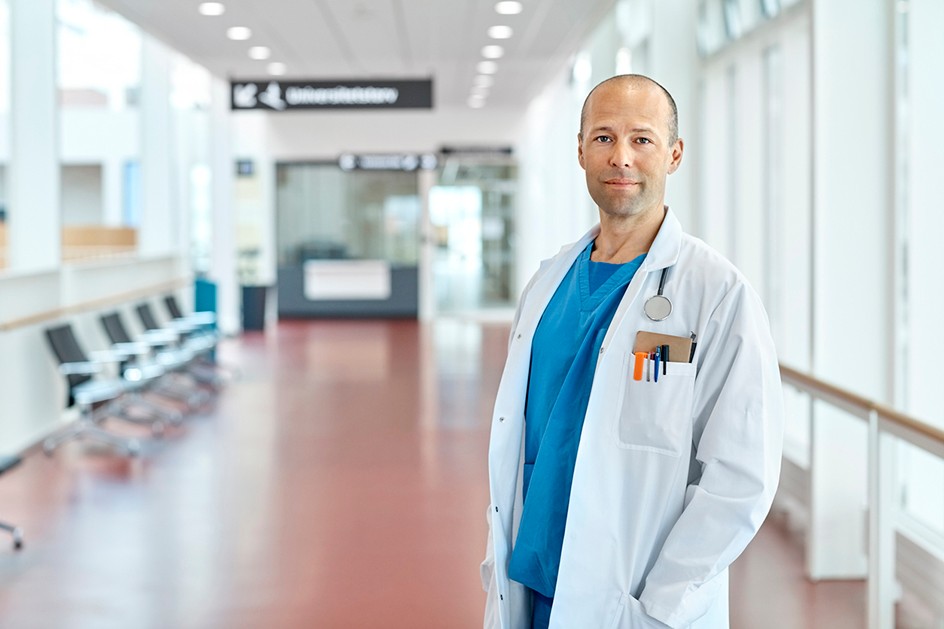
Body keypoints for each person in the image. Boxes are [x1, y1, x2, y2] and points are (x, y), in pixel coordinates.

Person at [480, 74, 784, 629]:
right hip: (538, 581)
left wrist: (663, 603)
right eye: (603, 138)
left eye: (642, 139)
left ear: (674, 154)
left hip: (637, 599)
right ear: (579, 151)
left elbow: (741, 477)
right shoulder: (546, 286)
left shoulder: (715, 294)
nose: (621, 157)